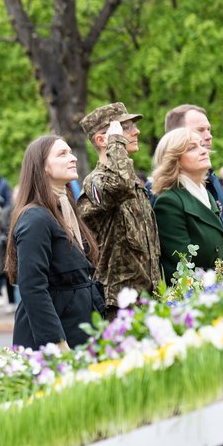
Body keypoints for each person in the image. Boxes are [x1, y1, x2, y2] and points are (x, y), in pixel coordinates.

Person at [6, 136, 105, 349]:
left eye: (70, 152)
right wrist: (57, 343)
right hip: (56, 338)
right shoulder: (35, 218)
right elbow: (32, 287)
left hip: (79, 328)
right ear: (43, 167)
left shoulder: (66, 209)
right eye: (62, 154)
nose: (73, 158)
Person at [77, 102, 159, 317]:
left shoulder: (134, 183)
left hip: (146, 301)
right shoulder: (95, 181)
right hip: (118, 306)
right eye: (126, 128)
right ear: (103, 140)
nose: (136, 131)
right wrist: (116, 143)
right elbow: (119, 184)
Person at [151, 128, 223, 279]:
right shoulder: (169, 201)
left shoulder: (205, 194)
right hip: (194, 297)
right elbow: (180, 271)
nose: (203, 151)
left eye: (202, 145)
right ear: (175, 160)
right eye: (192, 148)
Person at [164, 105, 223, 261]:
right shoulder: (167, 195)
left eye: (209, 129)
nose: (209, 136)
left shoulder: (211, 180)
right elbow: (180, 266)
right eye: (200, 130)